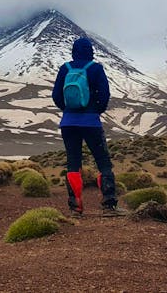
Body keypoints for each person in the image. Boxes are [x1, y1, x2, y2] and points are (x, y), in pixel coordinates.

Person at [52, 37, 123, 217]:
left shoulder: (65, 68)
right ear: (91, 51)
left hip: (68, 123)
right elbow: (105, 94)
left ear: (73, 52)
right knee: (103, 162)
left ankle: (75, 207)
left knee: (73, 163)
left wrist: (67, 110)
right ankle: (109, 205)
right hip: (91, 122)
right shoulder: (96, 68)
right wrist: (96, 110)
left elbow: (56, 95)